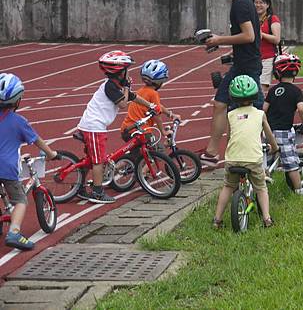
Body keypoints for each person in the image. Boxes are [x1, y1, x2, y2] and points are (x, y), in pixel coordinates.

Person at [201, 0, 263, 164]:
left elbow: (249, 36)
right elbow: (253, 38)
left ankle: (262, 149)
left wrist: (219, 39)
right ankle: (212, 152)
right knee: (224, 105)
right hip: (244, 63)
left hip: (246, 67)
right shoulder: (242, 2)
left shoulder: (241, 4)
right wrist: (231, 53)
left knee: (250, 110)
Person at [77, 51, 154, 204]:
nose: (128, 73)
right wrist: (126, 87)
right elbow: (123, 104)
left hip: (94, 125)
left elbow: (133, 96)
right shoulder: (110, 87)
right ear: (119, 72)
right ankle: (97, 192)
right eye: (127, 70)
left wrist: (151, 105)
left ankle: (80, 187)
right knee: (98, 161)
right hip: (94, 126)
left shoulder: (116, 85)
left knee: (91, 159)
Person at [0, 73, 58, 250]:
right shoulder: (19, 121)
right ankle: (14, 232)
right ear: (17, 100)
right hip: (6, 169)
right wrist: (51, 153)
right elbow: (37, 140)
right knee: (19, 199)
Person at [213, 75, 278, 229]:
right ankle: (267, 219)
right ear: (255, 95)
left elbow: (229, 137)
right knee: (261, 187)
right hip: (253, 159)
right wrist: (275, 148)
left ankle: (217, 220)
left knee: (228, 186)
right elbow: (269, 135)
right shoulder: (260, 114)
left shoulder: (230, 115)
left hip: (232, 159)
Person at [263, 54, 303, 195]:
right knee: (291, 162)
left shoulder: (273, 90)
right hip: (284, 132)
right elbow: (302, 108)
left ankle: (263, 177)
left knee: (266, 157)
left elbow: (264, 109)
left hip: (268, 131)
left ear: (277, 72)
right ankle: (299, 188)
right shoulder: (295, 91)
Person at [120, 60, 181, 143]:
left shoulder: (142, 91)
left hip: (127, 129)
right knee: (157, 151)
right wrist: (163, 132)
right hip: (139, 131)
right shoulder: (153, 93)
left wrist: (171, 115)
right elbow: (156, 115)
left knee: (142, 153)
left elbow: (158, 106)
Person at [254, 0, 281, 95]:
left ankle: (261, 110)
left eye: (261, 2)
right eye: (256, 2)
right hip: (253, 59)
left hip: (267, 59)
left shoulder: (272, 19)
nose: (258, 5)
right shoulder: (252, 20)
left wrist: (262, 34)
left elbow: (276, 39)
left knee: (261, 89)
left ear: (268, 5)